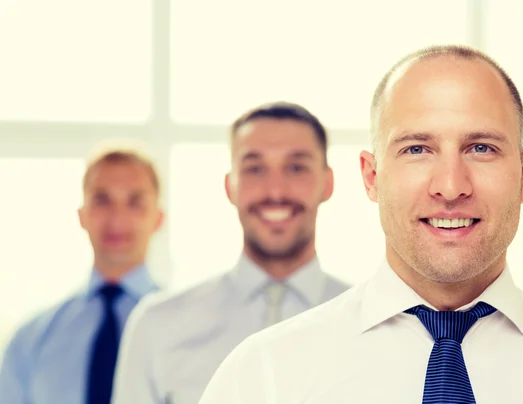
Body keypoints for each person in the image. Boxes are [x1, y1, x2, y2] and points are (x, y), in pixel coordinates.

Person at [197, 45, 523, 404]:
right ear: (371, 177)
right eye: (417, 149)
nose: (450, 186)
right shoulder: (262, 377)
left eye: (481, 148)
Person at [111, 102, 349, 404]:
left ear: (327, 183)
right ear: (230, 186)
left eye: (296, 167)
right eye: (255, 169)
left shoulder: (380, 328)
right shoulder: (156, 326)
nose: (275, 191)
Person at [0, 145, 164, 404]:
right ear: (82, 215)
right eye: (102, 200)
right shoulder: (29, 341)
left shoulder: (188, 330)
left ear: (158, 218)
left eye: (135, 201)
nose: (117, 217)